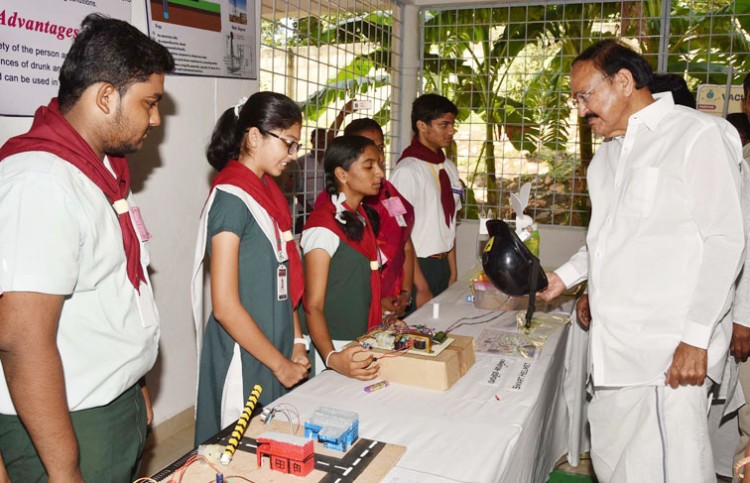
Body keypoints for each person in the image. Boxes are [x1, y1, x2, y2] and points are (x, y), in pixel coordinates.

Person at [538, 39, 744, 481]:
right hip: (615, 351)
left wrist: (695, 339)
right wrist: (563, 277)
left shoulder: (698, 135)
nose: (580, 110)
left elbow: (726, 241)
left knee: (673, 470)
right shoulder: (606, 158)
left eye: (585, 95)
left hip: (668, 354)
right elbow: (605, 240)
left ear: (624, 81)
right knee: (615, 467)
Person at [0, 14, 174, 481]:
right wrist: (64, 470)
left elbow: (113, 292)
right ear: (105, 96)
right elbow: (21, 338)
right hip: (65, 424)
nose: (156, 118)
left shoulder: (102, 173)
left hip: (110, 404)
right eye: (150, 103)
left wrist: (133, 383)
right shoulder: (41, 182)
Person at [191, 92, 310, 445]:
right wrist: (279, 364)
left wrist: (297, 339)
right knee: (238, 452)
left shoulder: (268, 194)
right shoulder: (231, 200)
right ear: (254, 136)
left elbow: (284, 278)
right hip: (245, 354)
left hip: (274, 345)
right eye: (288, 143)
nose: (292, 155)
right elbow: (225, 306)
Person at [302, 135, 384, 380]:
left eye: (379, 164)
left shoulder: (361, 216)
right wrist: (331, 357)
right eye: (369, 166)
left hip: (360, 336)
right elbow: (312, 305)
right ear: (342, 174)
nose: (379, 173)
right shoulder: (322, 227)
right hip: (333, 344)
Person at [390, 94, 463, 307]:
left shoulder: (448, 167)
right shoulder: (407, 171)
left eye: (452, 124)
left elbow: (450, 223)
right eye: (444, 125)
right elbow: (399, 233)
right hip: (416, 267)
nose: (451, 131)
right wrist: (420, 286)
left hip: (443, 265)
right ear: (422, 125)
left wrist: (453, 271)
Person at [344, 118, 418, 319]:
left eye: (379, 147)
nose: (376, 155)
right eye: (366, 148)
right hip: (361, 306)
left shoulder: (388, 191)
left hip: (395, 301)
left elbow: (406, 245)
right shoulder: (343, 203)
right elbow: (344, 272)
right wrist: (376, 300)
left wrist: (406, 293)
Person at [296, 100, 359, 231]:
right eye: (317, 138)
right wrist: (310, 210)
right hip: (305, 213)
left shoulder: (331, 160)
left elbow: (332, 134)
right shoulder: (301, 162)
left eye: (323, 138)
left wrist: (343, 114)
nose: (320, 141)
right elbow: (297, 190)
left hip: (329, 210)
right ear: (311, 140)